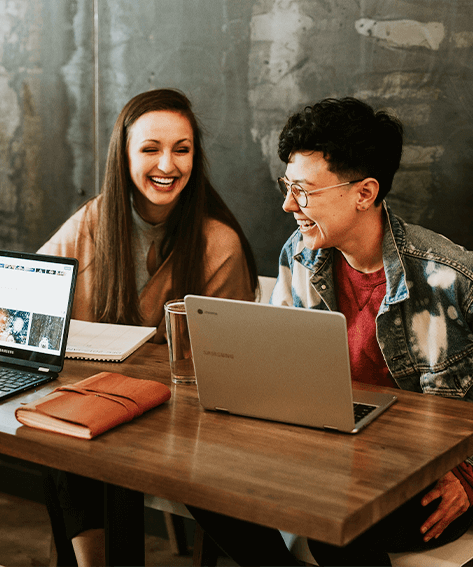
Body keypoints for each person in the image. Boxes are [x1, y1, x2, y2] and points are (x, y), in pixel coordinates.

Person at [189, 96, 473, 566]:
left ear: (364, 193)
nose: (287, 205)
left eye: (304, 190)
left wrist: (467, 475)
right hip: (327, 456)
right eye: (287, 186)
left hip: (421, 476)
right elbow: (276, 370)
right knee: (200, 482)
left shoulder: (450, 278)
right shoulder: (299, 256)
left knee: (334, 521)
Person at [38, 88, 259, 566]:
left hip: (179, 422)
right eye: (150, 149)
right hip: (97, 406)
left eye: (182, 149)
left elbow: (227, 365)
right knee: (60, 433)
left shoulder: (218, 244)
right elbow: (36, 289)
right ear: (125, 155)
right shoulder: (96, 219)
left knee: (73, 439)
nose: (168, 164)